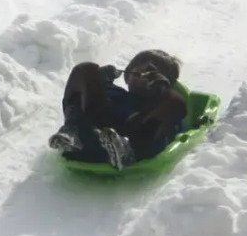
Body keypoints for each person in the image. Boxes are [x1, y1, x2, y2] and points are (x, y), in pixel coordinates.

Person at [48, 50, 188, 169]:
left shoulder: (161, 103)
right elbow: (90, 100)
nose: (143, 69)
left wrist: (160, 88)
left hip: (138, 143)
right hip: (96, 138)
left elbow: (177, 110)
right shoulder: (115, 92)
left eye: (152, 70)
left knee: (174, 104)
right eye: (139, 65)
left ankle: (127, 151)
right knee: (84, 69)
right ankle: (73, 133)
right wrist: (98, 80)